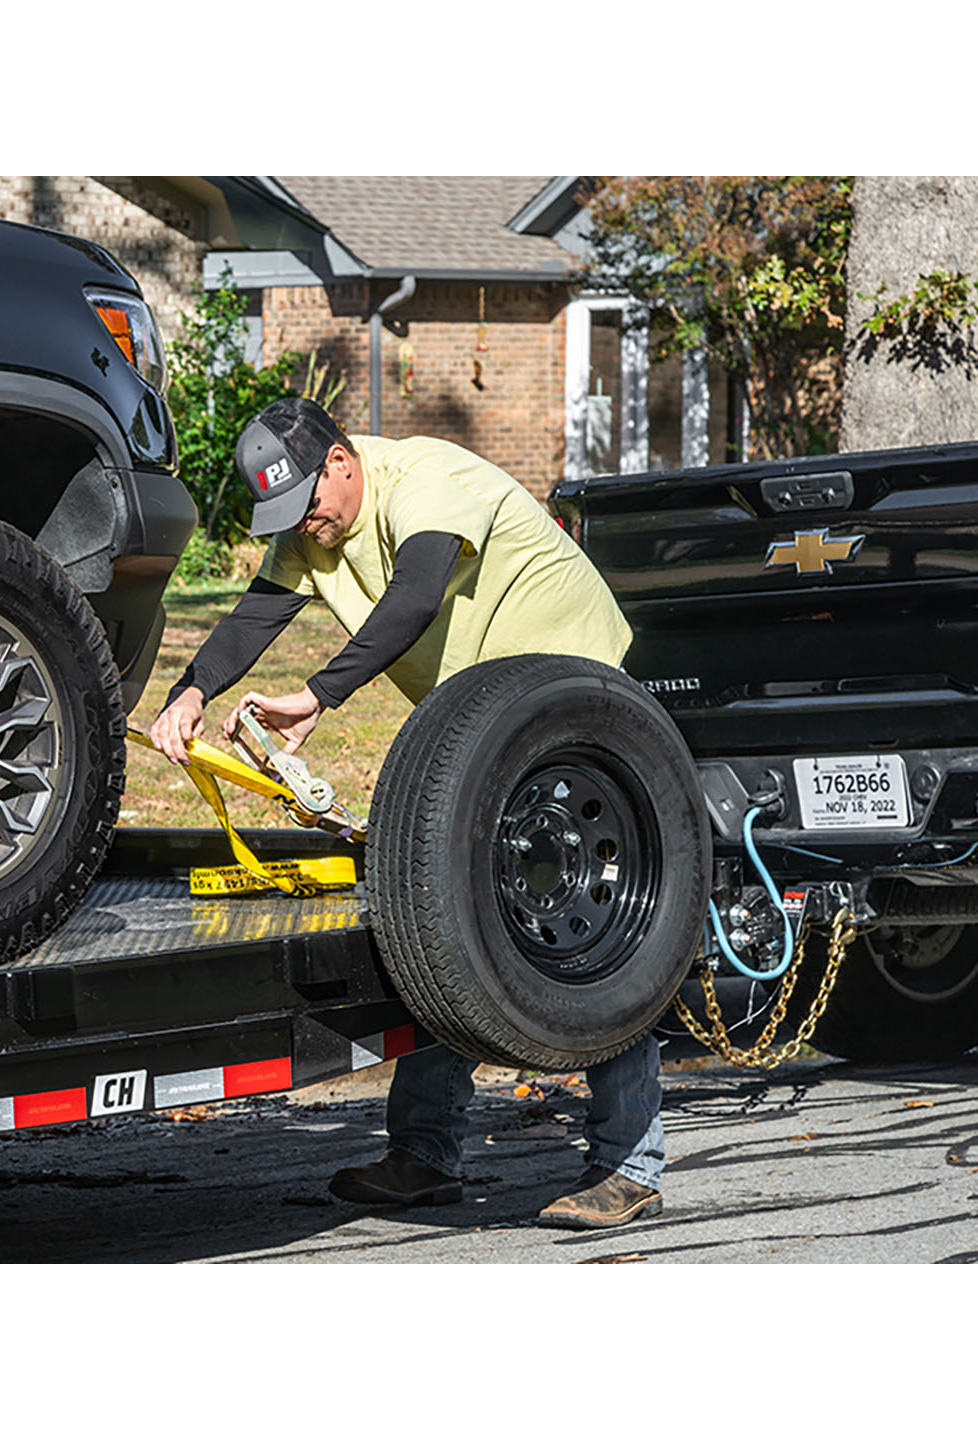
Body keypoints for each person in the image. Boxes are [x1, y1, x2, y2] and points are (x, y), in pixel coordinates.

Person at [147, 397, 663, 1230]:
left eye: (308, 502)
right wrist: (191, 690)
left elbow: (416, 593)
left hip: (574, 698)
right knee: (441, 926)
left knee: (590, 935)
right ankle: (425, 1156)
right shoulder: (311, 528)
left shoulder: (427, 479)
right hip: (482, 718)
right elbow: (253, 615)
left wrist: (320, 695)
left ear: (343, 462)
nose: (303, 524)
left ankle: (628, 1166)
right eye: (284, 514)